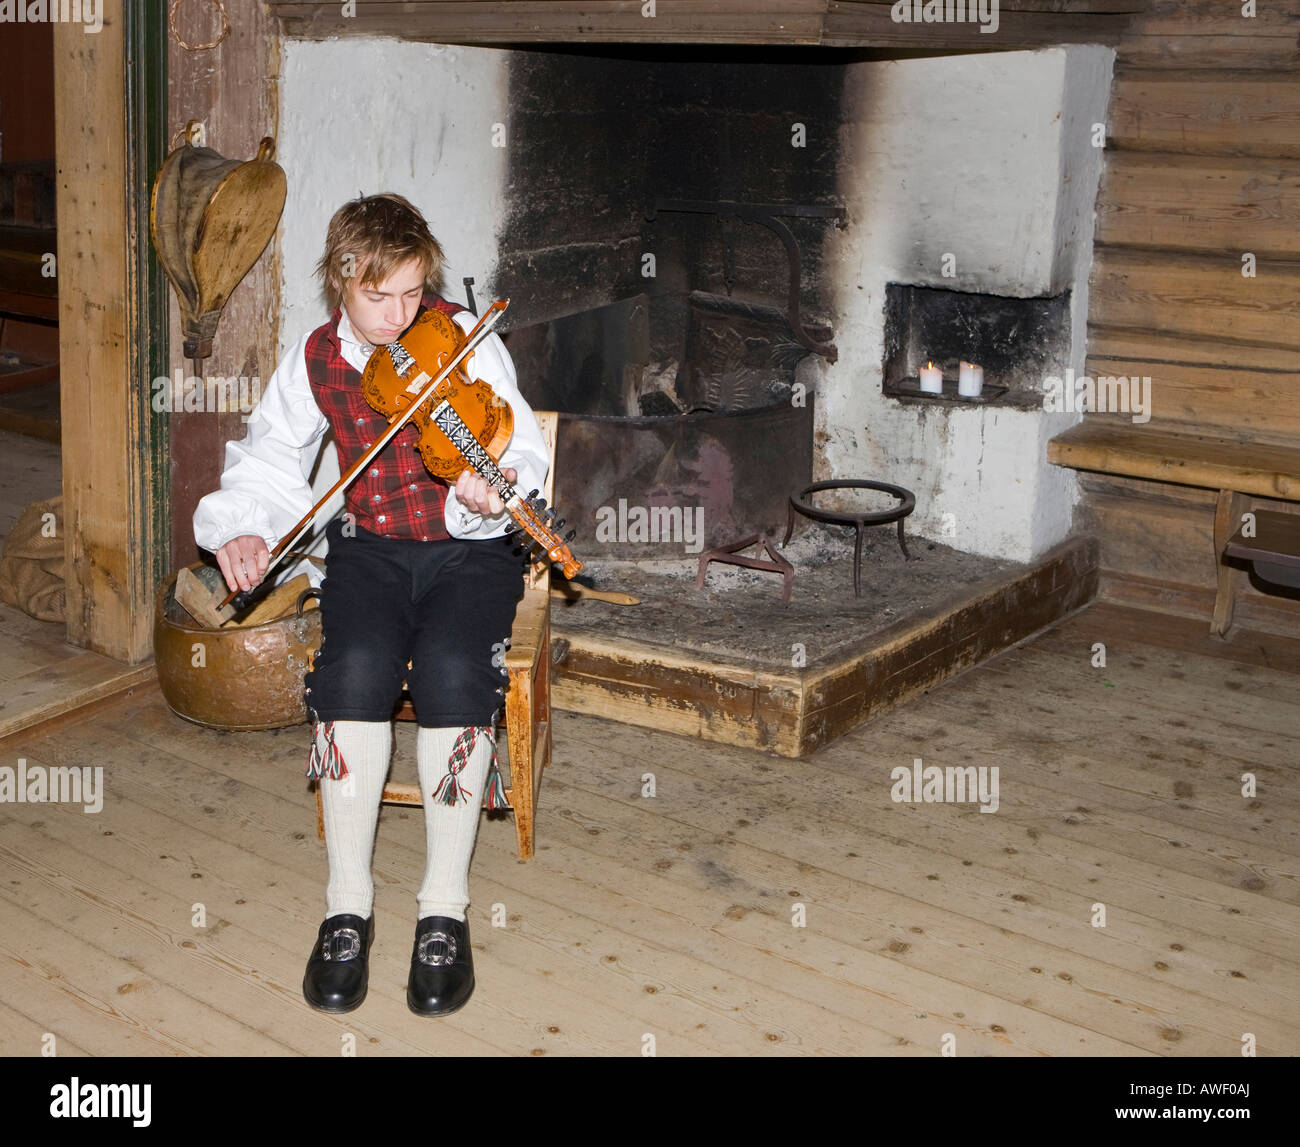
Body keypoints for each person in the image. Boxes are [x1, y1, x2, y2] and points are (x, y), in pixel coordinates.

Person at [193, 193, 549, 1017]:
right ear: (339, 283)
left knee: (458, 671)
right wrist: (244, 529)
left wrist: (488, 490)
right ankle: (345, 906)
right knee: (351, 670)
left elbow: (520, 444)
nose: (397, 317)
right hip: (372, 549)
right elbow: (270, 456)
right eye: (377, 296)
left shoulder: (463, 338)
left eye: (412, 294)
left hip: (470, 554)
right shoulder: (317, 358)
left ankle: (443, 911)